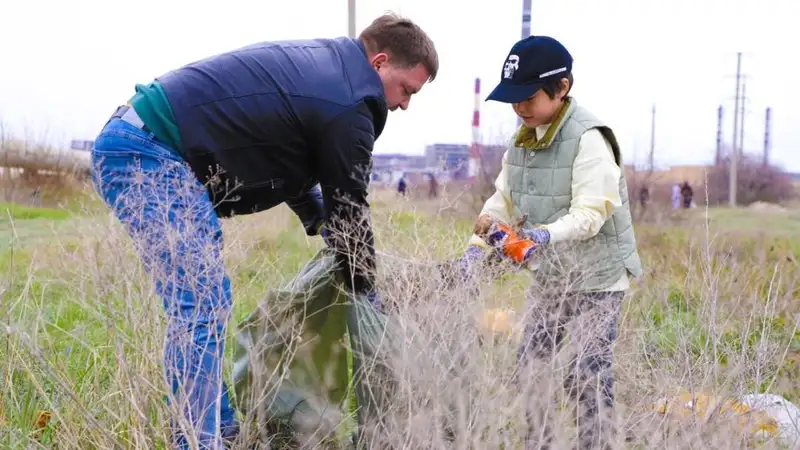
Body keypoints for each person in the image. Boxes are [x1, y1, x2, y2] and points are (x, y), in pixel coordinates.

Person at [89, 13, 438, 449]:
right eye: (407, 89)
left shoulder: (329, 71)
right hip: (150, 154)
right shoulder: (350, 100)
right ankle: (198, 441)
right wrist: (365, 286)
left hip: (144, 144)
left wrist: (319, 220)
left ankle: (223, 430)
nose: (405, 104)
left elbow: (286, 156)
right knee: (199, 303)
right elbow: (350, 207)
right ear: (381, 63)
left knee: (205, 303)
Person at [454, 35, 643, 449]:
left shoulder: (589, 138)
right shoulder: (521, 139)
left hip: (598, 277)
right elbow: (500, 201)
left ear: (562, 88)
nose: (519, 108)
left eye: (528, 97)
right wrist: (474, 249)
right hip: (553, 275)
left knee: (586, 371)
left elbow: (591, 214)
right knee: (530, 368)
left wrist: (542, 235)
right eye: (513, 99)